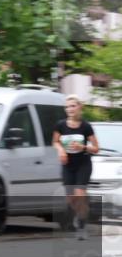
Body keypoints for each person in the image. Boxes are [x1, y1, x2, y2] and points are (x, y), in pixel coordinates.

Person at [53, 94, 100, 240]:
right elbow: (55, 141)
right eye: (67, 107)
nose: (70, 109)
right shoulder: (60, 125)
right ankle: (81, 213)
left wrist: (83, 147)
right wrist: (61, 151)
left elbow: (96, 148)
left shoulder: (86, 126)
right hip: (67, 165)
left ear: (79, 107)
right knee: (71, 199)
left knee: (79, 193)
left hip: (83, 164)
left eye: (73, 106)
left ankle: (81, 226)